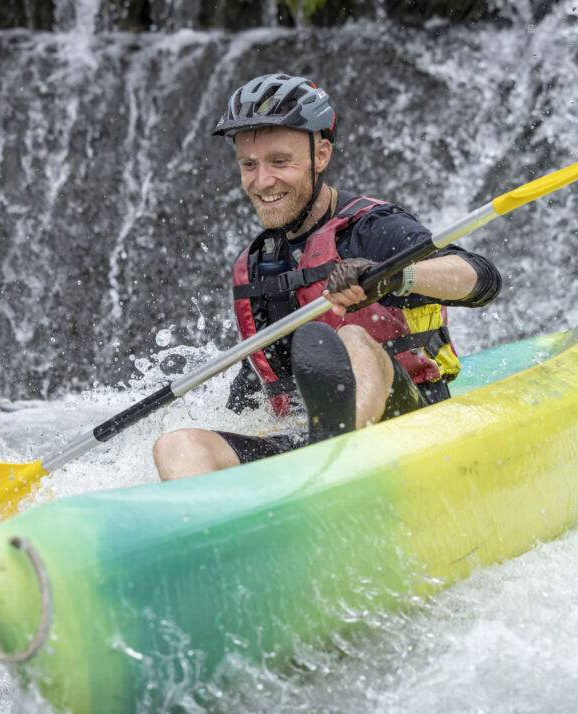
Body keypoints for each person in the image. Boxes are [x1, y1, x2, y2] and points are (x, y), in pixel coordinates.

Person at [152, 74, 501, 480]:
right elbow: (262, 391)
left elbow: (480, 278)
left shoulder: (373, 229)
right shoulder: (259, 264)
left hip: (410, 430)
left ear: (321, 155)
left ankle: (332, 471)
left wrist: (392, 277)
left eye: (280, 162)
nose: (262, 181)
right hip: (311, 453)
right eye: (249, 165)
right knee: (178, 445)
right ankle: (210, 533)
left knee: (350, 340)